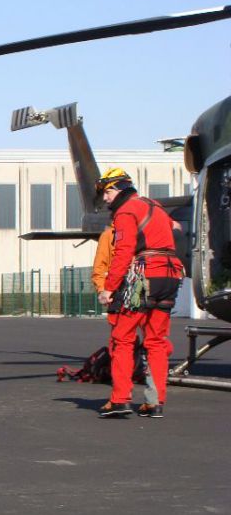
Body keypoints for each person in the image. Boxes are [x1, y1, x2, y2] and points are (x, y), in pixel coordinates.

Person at [96, 168, 183, 418]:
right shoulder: (154, 205)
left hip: (144, 277)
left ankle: (120, 400)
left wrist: (109, 288)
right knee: (156, 341)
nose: (105, 198)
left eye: (108, 191)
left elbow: (123, 251)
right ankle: (155, 402)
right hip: (170, 275)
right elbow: (175, 228)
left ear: (121, 188)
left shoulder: (126, 211)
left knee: (122, 338)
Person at [92, 224, 158, 412]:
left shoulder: (115, 234)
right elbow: (99, 269)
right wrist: (103, 289)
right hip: (132, 293)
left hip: (136, 294)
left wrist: (103, 290)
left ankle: (123, 398)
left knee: (124, 344)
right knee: (148, 344)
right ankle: (152, 400)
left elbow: (99, 268)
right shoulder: (110, 235)